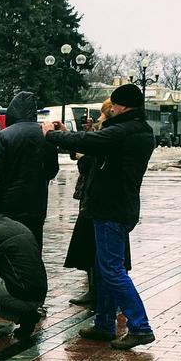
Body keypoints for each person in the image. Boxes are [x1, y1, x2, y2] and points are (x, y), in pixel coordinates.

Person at [45, 84, 156, 350]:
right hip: (115, 206)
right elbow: (94, 146)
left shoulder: (125, 131)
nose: (112, 110)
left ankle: (140, 326)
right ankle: (105, 323)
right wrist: (66, 133)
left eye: (115, 106)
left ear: (123, 106)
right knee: (104, 266)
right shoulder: (137, 129)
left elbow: (89, 142)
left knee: (112, 270)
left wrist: (52, 136)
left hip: (111, 208)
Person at [0, 91, 59, 248]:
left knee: (9, 247)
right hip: (36, 204)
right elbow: (52, 169)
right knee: (34, 246)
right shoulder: (45, 135)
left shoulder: (5, 136)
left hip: (8, 205)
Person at [64, 101, 130, 309]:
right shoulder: (108, 136)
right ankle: (101, 302)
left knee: (101, 252)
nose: (98, 119)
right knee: (98, 251)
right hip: (99, 201)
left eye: (101, 116)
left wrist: (84, 155)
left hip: (99, 203)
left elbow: (88, 165)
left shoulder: (109, 139)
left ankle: (107, 300)